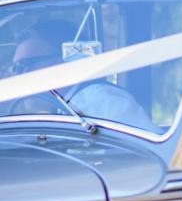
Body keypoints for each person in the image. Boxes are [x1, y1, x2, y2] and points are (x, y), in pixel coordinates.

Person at [4, 21, 157, 130]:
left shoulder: (99, 100)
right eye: (14, 69)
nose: (18, 77)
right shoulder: (64, 108)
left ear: (63, 60)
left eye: (23, 66)